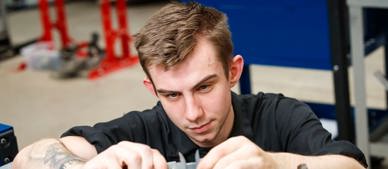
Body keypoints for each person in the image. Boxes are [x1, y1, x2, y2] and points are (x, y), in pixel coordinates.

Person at [13, 2, 367, 169]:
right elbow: (28, 158)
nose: (192, 113)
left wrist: (275, 163)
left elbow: (351, 167)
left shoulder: (277, 115)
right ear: (152, 90)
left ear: (233, 71)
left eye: (204, 87)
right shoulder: (144, 130)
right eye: (171, 94)